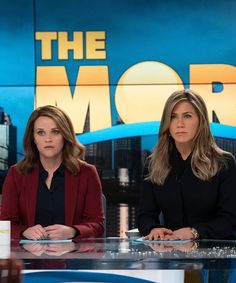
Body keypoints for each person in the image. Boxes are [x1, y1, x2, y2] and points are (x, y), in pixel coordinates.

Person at [137, 89, 236, 240]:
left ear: (201, 122)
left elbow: (230, 220)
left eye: (187, 116)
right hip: (170, 255)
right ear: (166, 124)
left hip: (213, 254)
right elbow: (144, 216)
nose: (180, 124)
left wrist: (194, 232)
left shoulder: (224, 163)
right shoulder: (154, 163)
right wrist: (154, 228)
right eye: (173, 117)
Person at [0, 105, 104, 240]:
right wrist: (24, 232)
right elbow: (5, 224)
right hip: (28, 257)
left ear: (65, 135)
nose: (48, 139)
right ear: (33, 138)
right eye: (40, 132)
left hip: (74, 257)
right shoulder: (16, 174)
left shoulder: (87, 173)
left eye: (55, 132)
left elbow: (97, 224)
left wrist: (72, 231)